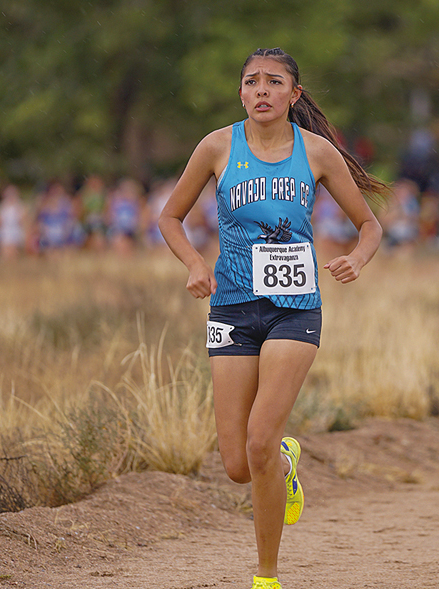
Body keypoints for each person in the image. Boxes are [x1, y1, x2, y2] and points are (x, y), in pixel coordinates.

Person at [158, 47, 385, 589]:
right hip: (231, 308)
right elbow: (169, 216)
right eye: (251, 81)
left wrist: (354, 258)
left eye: (273, 82)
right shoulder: (216, 147)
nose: (261, 90)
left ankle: (266, 576)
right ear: (241, 92)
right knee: (239, 463)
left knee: (259, 437)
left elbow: (369, 225)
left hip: (295, 309)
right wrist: (193, 262)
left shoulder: (317, 153)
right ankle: (283, 464)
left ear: (293, 95)